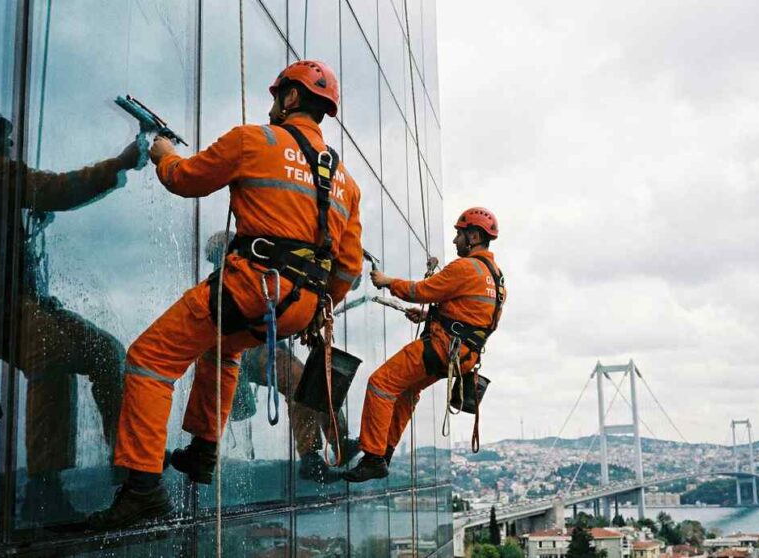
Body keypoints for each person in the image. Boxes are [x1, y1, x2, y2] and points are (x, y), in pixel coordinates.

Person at [88, 60, 363, 530]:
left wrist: (161, 152)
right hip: (301, 305)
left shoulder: (253, 141)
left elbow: (184, 180)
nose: (272, 105)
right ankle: (202, 451)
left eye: (277, 96)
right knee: (224, 347)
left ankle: (142, 489)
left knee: (149, 359)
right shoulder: (346, 182)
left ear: (291, 98)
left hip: (252, 288)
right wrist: (319, 312)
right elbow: (348, 268)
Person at [0, 100, 145, 521]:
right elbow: (61, 189)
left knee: (105, 351)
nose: (8, 139)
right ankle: (45, 489)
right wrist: (123, 161)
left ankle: (127, 463)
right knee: (52, 351)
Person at [342, 208, 505, 483]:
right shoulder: (496, 278)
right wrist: (431, 316)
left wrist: (387, 282)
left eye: (459, 234)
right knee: (406, 391)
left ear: (474, 236)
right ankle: (384, 453)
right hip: (462, 355)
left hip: (442, 347)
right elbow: (476, 318)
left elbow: (421, 291)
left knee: (381, 383)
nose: (455, 240)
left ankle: (373, 457)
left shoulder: (466, 267)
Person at [207, 233, 360, 483]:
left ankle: (339, 443)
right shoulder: (227, 282)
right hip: (248, 348)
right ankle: (312, 457)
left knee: (317, 381)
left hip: (261, 345)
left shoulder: (254, 272)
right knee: (300, 381)